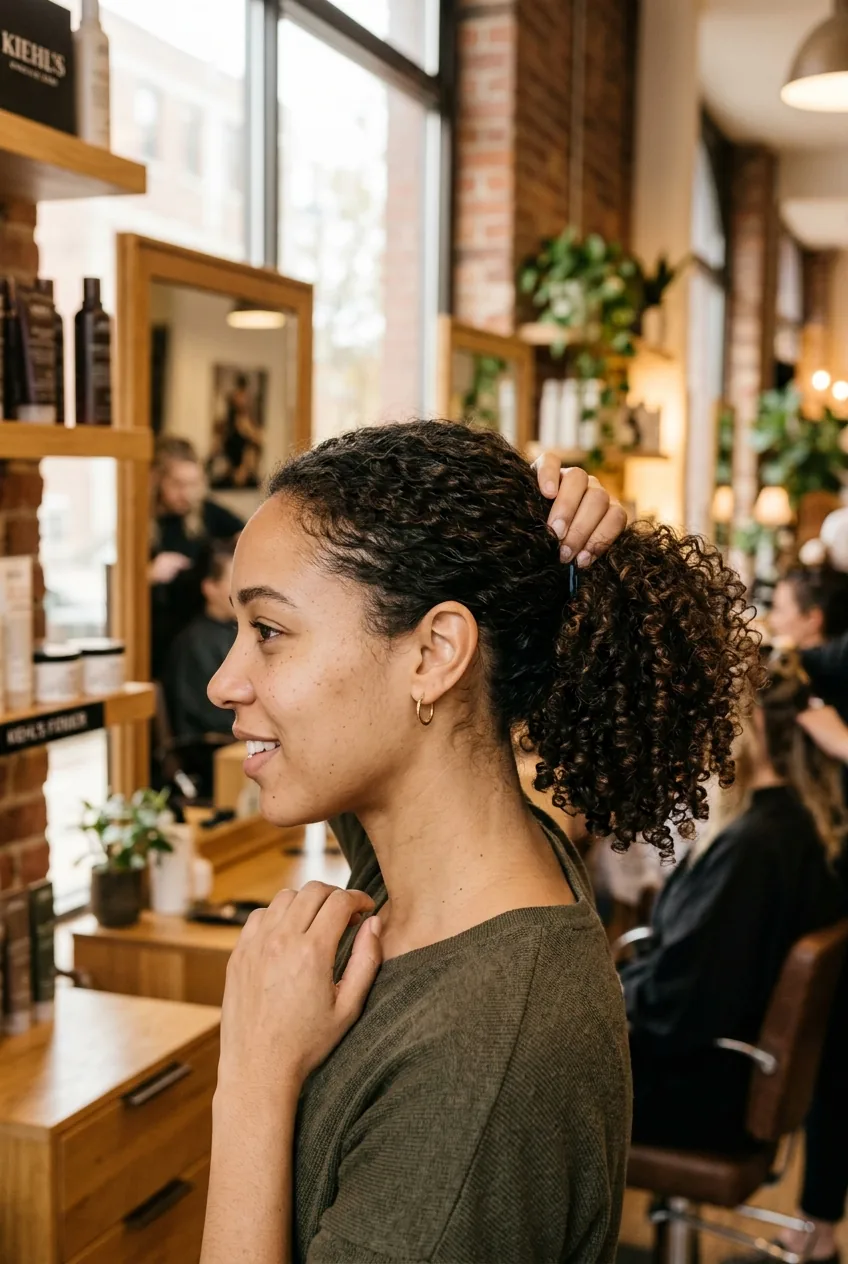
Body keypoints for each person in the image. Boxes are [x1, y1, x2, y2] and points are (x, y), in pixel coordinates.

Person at [198, 421, 759, 1264]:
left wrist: (251, 1080)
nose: (222, 681)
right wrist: (552, 555)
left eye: (268, 632)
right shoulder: (454, 858)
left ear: (435, 653)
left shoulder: (479, 1073)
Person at [623, 648, 846, 1154]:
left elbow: (680, 1004)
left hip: (699, 1093)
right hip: (725, 1077)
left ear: (755, 727)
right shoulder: (805, 827)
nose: (706, 733)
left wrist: (609, 993)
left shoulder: (755, 847)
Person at [149, 436, 244, 678]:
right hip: (160, 636)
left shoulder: (205, 512)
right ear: (158, 481)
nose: (187, 494)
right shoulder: (140, 520)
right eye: (178, 484)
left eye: (193, 484)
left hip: (200, 631)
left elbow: (248, 532)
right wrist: (148, 573)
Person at [164, 541, 237, 742]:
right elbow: (210, 717)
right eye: (234, 582)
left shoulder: (240, 632)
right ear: (209, 588)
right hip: (210, 751)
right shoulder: (194, 643)